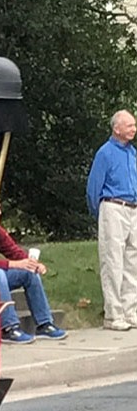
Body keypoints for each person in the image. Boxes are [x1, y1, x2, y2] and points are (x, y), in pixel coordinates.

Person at [0, 202, 66, 344]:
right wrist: (12, 264)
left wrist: (33, 264)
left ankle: (44, 324)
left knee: (29, 273)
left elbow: (14, 251)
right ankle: (8, 328)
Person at [86, 110, 137, 331]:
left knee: (132, 262)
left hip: (133, 207)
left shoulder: (132, 152)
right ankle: (113, 313)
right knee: (113, 261)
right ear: (117, 128)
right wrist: (100, 214)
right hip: (113, 206)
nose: (133, 129)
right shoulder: (105, 153)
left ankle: (130, 310)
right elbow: (93, 187)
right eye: (129, 126)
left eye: (134, 125)